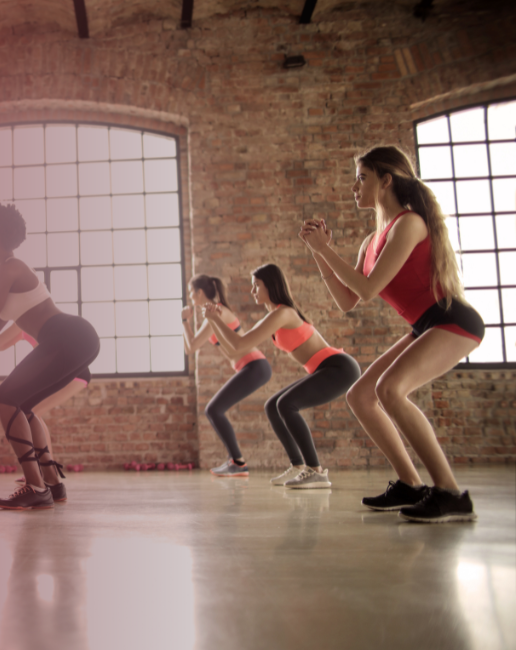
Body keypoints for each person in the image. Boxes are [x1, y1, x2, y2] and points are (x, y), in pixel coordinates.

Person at [300, 145, 483, 523]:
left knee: (390, 389)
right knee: (361, 394)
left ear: (386, 181)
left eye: (362, 177)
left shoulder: (410, 223)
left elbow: (368, 289)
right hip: (424, 325)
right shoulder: (371, 241)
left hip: (452, 320)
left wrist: (327, 249)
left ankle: (450, 493)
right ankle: (410, 484)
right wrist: (320, 253)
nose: (354, 186)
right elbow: (348, 300)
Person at [0, 202, 100, 510]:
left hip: (66, 336)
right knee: (25, 406)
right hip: (71, 339)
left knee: (3, 400)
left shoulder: (10, 268)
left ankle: (35, 486)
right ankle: (52, 484)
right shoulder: (7, 272)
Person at [206, 264, 361, 489]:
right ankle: (298, 466)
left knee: (287, 404)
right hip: (325, 369)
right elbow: (237, 349)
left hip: (338, 367)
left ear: (270, 285)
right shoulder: (274, 315)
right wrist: (213, 320)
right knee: (273, 406)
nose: (252, 291)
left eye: (256, 285)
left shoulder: (283, 313)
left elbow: (239, 343)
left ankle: (316, 471)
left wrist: (216, 319)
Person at [181, 274, 272, 477]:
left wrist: (184, 321)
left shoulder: (217, 311)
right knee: (214, 409)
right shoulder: (213, 312)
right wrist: (185, 322)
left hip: (255, 365)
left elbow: (192, 346)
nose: (190, 297)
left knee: (214, 409)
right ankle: (236, 461)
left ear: (199, 293)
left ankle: (238, 462)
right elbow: (190, 349)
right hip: (251, 366)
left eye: (191, 293)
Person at [0, 322, 91, 485]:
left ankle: (44, 471)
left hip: (74, 372)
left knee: (32, 412)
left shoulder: (23, 320)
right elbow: (1, 346)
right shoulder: (23, 326)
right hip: (73, 370)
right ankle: (44, 471)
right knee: (31, 412)